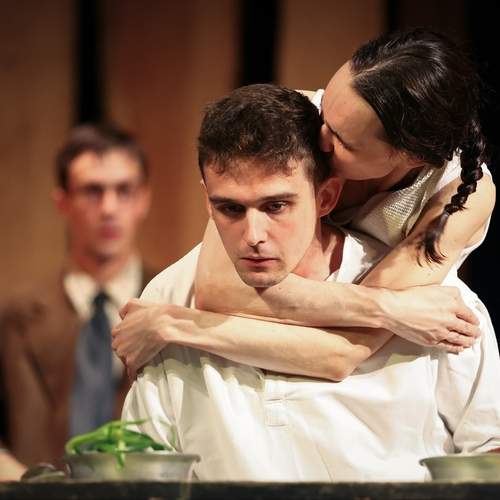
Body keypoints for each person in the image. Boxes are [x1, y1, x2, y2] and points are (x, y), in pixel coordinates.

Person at [121, 84, 500, 481]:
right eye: (230, 208)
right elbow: (146, 470)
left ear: (326, 197)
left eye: (276, 206)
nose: (253, 235)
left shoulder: (439, 310)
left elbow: (487, 451)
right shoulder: (168, 296)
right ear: (207, 200)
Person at [113, 28, 493, 380]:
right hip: (232, 322)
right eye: (327, 112)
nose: (320, 139)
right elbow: (219, 290)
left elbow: (342, 350)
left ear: (411, 157)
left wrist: (175, 326)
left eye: (343, 141)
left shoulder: (459, 197)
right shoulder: (302, 117)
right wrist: (391, 308)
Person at [0, 124, 154, 479]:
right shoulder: (15, 316)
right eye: (92, 191)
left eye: (124, 190)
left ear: (143, 199)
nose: (109, 208)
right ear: (62, 202)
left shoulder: (175, 303)